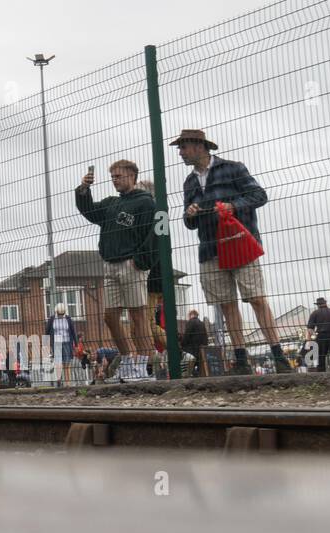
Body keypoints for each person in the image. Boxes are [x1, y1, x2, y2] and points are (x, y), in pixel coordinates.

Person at [174, 128, 287, 375]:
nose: (180, 153)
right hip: (210, 249)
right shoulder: (189, 182)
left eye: (183, 147)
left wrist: (232, 206)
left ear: (199, 146)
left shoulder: (234, 168)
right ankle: (241, 359)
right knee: (226, 305)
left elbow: (259, 195)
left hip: (239, 243)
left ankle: (280, 356)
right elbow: (189, 223)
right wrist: (190, 214)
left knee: (256, 298)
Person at [75, 160, 156, 362]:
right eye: (112, 177)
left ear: (132, 176)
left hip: (131, 265)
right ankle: (130, 359)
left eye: (118, 176)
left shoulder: (145, 202)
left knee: (138, 316)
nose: (114, 180)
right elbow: (91, 212)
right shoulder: (112, 203)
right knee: (110, 317)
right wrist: (84, 190)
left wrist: (140, 261)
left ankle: (147, 364)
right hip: (110, 265)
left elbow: (152, 235)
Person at [306, 297, 330, 372]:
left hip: (322, 337)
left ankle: (321, 374)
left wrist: (315, 335)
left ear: (318, 305)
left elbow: (310, 329)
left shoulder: (315, 313)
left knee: (321, 357)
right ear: (325, 303)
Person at [45, 303, 78, 385]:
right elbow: (47, 331)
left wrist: (76, 344)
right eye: (59, 314)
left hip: (67, 342)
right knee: (58, 363)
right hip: (57, 342)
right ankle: (59, 380)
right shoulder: (52, 319)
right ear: (56, 312)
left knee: (67, 363)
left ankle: (68, 383)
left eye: (62, 314)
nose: (61, 315)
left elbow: (73, 331)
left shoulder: (68, 319)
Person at [180, 309, 208, 376]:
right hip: (200, 349)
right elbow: (205, 337)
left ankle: (190, 373)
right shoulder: (202, 324)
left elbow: (186, 336)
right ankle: (197, 373)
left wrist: (182, 344)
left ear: (190, 315)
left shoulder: (190, 322)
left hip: (191, 349)